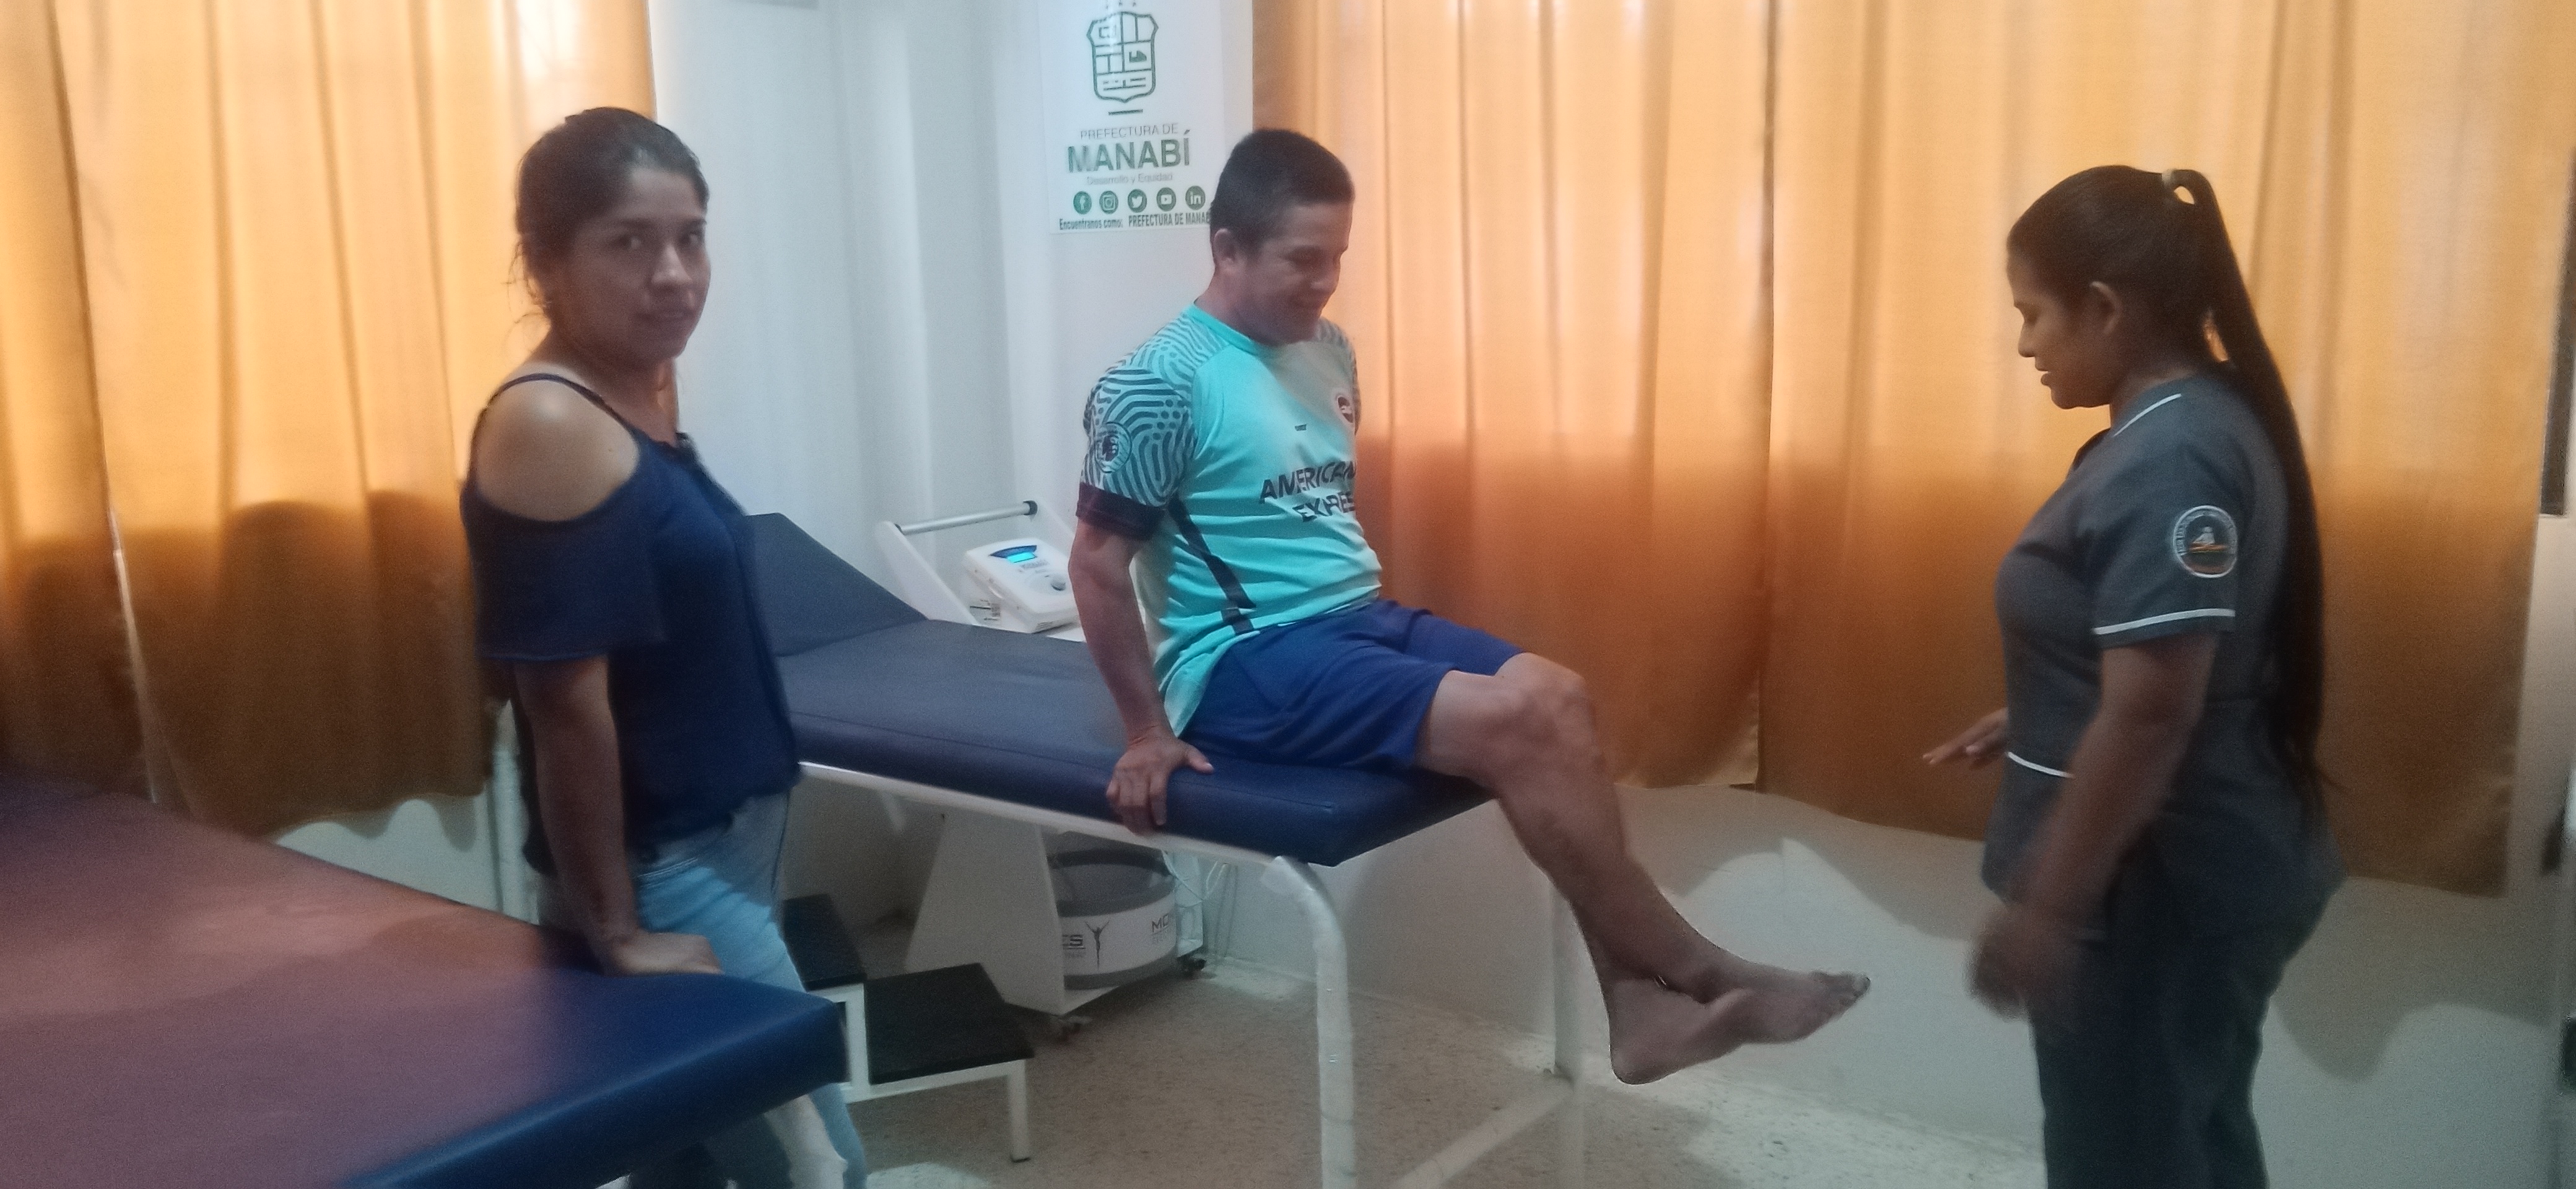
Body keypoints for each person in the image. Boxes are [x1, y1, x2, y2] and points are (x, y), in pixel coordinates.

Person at [1068, 129, 1866, 1086]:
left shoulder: (1329, 349)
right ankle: (1700, 970)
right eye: (1302, 260)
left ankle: (1638, 1007)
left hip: (1352, 616)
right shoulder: (1157, 383)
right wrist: (1145, 734)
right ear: (1227, 248)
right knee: (1514, 720)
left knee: (1558, 695)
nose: (1324, 283)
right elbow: (1097, 565)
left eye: (1338, 258)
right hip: (1242, 660)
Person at [460, 108, 866, 1188]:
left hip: (713, 853)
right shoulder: (550, 424)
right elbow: (562, 705)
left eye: (690, 237)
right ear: (545, 264)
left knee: (683, 1165)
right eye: (629, 242)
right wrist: (618, 930)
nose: (674, 273)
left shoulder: (630, 401)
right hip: (664, 875)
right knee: (821, 1171)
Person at [1926, 165, 2343, 1189]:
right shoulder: (2200, 419)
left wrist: (2051, 910)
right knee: (2193, 1132)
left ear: (2106, 309)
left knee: (2126, 1156)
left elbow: (2155, 714)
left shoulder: (2171, 459)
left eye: (2032, 314)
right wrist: (2046, 701)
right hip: (2193, 870)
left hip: (2156, 889)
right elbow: (2170, 651)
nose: (2024, 345)